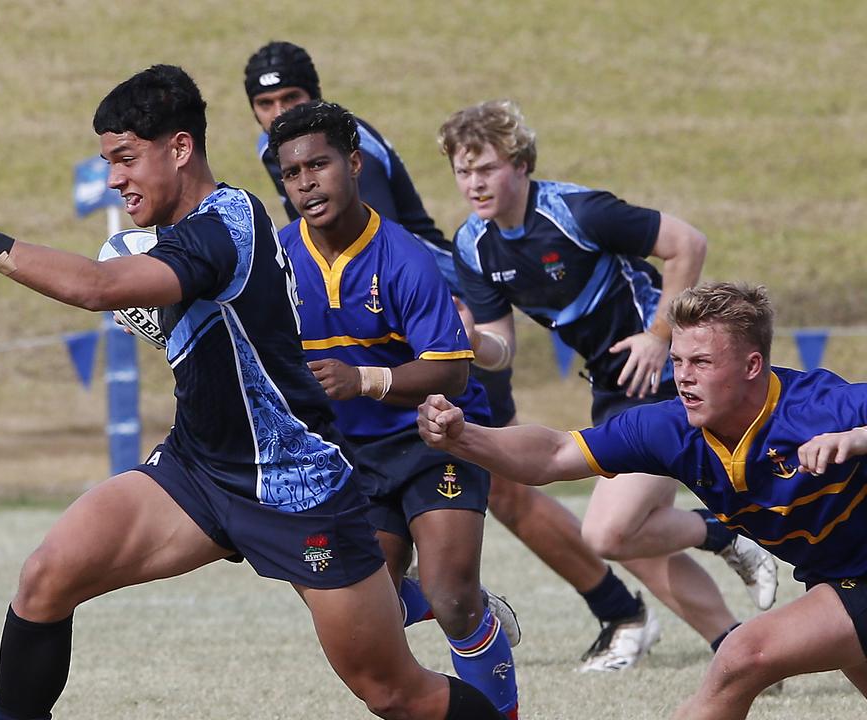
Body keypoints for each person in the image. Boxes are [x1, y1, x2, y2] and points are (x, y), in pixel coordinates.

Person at [0, 64, 504, 720]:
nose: (114, 178)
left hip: (293, 488)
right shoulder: (178, 238)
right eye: (108, 161)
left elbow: (97, 289)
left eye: (126, 158)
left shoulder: (227, 225)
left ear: (180, 148)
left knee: (395, 693)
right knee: (47, 577)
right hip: (199, 472)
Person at [244, 39, 667, 672]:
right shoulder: (288, 158)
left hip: (434, 324)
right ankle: (487, 601)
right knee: (379, 575)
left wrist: (371, 364)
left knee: (504, 490)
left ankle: (614, 610)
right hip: (379, 359)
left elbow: (378, 251)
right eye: (266, 103)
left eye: (293, 98)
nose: (280, 111)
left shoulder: (352, 153)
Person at [418, 282, 867, 718]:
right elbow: (554, 455)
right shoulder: (670, 429)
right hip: (836, 575)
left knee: (743, 656)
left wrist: (856, 440)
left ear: (752, 366)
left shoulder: (823, 409)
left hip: (856, 577)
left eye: (702, 362)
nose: (684, 377)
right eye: (677, 360)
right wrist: (464, 438)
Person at [438, 100, 779, 667]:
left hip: (667, 374)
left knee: (607, 532)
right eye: (463, 172)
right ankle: (738, 649)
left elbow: (687, 244)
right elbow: (501, 350)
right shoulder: (474, 246)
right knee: (634, 540)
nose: (474, 183)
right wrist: (472, 342)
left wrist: (657, 333)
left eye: (487, 168)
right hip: (613, 385)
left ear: (520, 164)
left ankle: (723, 532)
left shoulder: (578, 212)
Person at [271, 100, 519, 717]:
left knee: (453, 594)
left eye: (319, 165)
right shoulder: (276, 261)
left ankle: (467, 631)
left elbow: (454, 369)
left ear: (354, 164)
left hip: (433, 438)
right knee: (359, 613)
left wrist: (365, 380)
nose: (307, 183)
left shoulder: (403, 256)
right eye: (292, 173)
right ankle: (432, 598)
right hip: (350, 457)